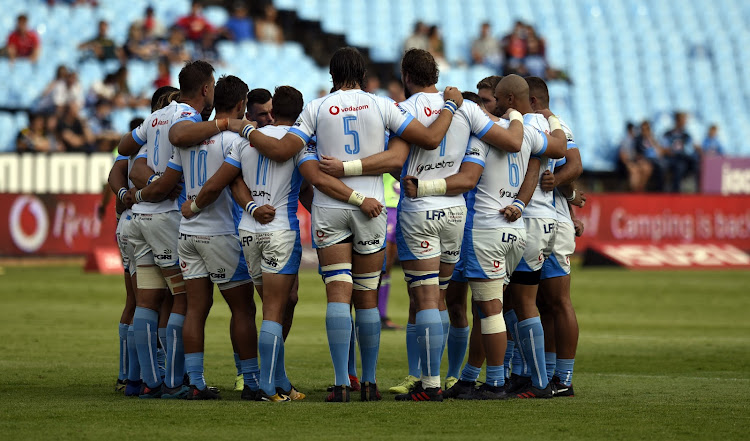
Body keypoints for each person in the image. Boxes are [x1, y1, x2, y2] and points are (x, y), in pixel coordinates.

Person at [229, 47, 464, 402]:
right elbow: (408, 152)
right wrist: (449, 107)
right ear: (363, 73)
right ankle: (368, 383)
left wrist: (243, 128)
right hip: (371, 207)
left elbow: (284, 152)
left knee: (338, 294)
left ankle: (341, 383)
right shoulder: (383, 104)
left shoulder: (317, 108)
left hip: (329, 208)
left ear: (331, 75)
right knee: (367, 299)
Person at [317, 49, 527, 400]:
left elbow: (394, 160)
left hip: (419, 210)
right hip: (455, 211)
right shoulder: (468, 109)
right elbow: (513, 141)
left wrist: (347, 167)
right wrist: (517, 111)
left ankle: (428, 383)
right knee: (441, 298)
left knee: (425, 298)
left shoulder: (404, 110)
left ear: (406, 74)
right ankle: (448, 376)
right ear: (436, 75)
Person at [134, 75, 259, 401]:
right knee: (243, 309)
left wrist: (139, 195)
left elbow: (167, 180)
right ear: (242, 104)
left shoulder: (188, 140)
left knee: (194, 309)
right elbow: (222, 183)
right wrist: (197, 203)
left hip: (187, 237)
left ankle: (195, 382)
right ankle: (252, 382)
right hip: (218, 234)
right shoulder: (234, 140)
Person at [438, 90, 553, 400]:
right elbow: (553, 151)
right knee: (489, 309)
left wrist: (427, 186)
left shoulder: (480, 140)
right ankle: (470, 377)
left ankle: (496, 383)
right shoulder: (528, 134)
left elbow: (468, 179)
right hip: (515, 231)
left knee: (489, 312)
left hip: (486, 231)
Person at [492, 74, 567, 399]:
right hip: (544, 218)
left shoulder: (506, 127)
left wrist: (520, 202)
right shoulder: (542, 127)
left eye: (496, 98)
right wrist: (552, 116)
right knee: (515, 300)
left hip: (526, 220)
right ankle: (523, 374)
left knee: (522, 302)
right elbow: (562, 147)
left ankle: (538, 382)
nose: (493, 103)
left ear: (510, 100)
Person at [527, 76, 582, 397]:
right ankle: (548, 375)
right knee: (542, 303)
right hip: (545, 220)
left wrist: (558, 182)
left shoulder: (554, 123)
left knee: (558, 301)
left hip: (550, 222)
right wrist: (570, 191)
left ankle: (564, 377)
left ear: (532, 101)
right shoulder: (541, 123)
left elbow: (574, 164)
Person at [107, 115, 149, 394]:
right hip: (144, 221)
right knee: (153, 301)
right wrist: (125, 195)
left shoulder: (133, 141)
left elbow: (114, 174)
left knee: (134, 301)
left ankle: (128, 374)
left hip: (127, 222)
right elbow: (120, 174)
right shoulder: (154, 139)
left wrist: (121, 196)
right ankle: (145, 376)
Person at [378, 173, 401, 330]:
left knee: (389, 268)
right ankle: (375, 316)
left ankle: (382, 316)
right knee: (381, 267)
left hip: (406, 205)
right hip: (386, 205)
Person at [663, 112, 699, 192]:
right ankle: (676, 192)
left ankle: (698, 189)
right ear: (677, 121)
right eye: (683, 120)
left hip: (684, 157)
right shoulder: (668, 134)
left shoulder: (686, 135)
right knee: (679, 166)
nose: (684, 122)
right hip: (672, 158)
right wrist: (671, 151)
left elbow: (691, 147)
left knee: (696, 162)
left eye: (685, 120)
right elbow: (664, 148)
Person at [618, 122, 652, 191]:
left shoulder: (637, 140)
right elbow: (622, 155)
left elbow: (639, 154)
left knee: (646, 168)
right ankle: (634, 191)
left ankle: (641, 188)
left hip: (635, 162)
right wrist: (629, 164)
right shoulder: (625, 141)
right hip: (626, 162)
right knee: (634, 171)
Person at [635, 120, 666, 191]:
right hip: (644, 160)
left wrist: (652, 141)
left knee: (662, 166)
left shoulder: (654, 139)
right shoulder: (638, 140)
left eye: (647, 129)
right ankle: (640, 188)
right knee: (645, 168)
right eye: (643, 129)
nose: (645, 131)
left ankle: (660, 190)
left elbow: (660, 152)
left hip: (655, 160)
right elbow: (637, 153)